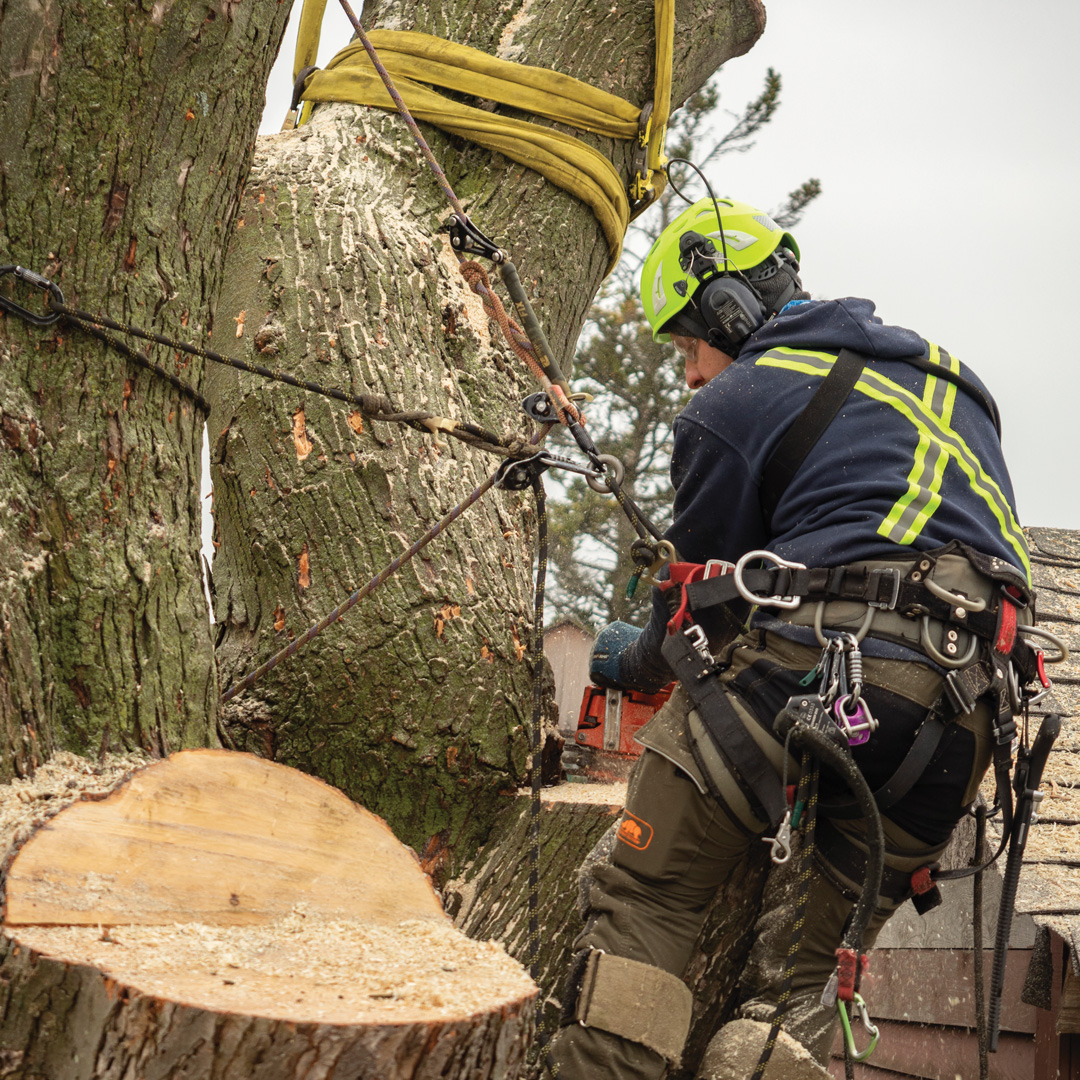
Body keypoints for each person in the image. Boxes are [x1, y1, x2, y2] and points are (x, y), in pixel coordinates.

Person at [544, 196, 1035, 1079]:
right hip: (962, 728)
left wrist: (635, 654)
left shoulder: (735, 402)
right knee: (805, 986)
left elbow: (699, 604)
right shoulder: (959, 385)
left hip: (821, 676)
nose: (691, 376)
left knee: (645, 901)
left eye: (689, 347)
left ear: (728, 314)